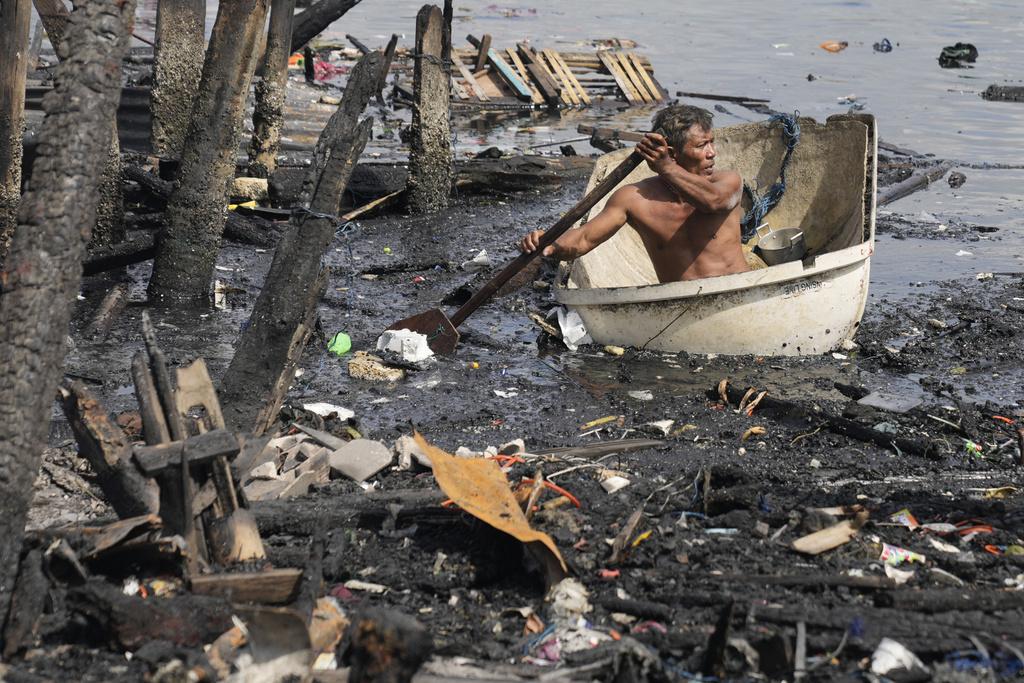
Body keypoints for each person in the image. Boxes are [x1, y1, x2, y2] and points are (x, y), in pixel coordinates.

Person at [520, 105, 750, 282]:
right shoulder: (633, 198)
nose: (712, 153)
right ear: (671, 153)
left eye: (712, 143)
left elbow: (713, 202)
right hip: (680, 303)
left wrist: (666, 168)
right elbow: (584, 238)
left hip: (740, 291)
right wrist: (549, 243)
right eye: (701, 146)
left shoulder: (728, 181)